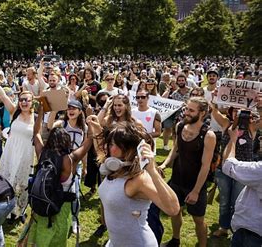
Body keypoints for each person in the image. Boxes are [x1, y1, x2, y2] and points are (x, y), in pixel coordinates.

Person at [93, 121, 179, 246]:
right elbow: (99, 148)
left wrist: (152, 171)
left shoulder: (139, 180)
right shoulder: (115, 169)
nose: (107, 147)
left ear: (128, 150)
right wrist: (95, 125)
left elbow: (172, 209)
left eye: (112, 144)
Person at [25, 103, 93, 246]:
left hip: (43, 202)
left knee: (41, 233)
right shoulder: (71, 159)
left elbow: (36, 133)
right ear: (66, 141)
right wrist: (90, 120)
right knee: (58, 235)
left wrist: (42, 112)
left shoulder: (42, 153)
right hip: (62, 205)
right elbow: (88, 142)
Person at [160, 97, 217, 247]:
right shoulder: (180, 126)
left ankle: (202, 245)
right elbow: (176, 149)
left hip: (195, 185)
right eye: (186, 109)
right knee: (174, 211)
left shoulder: (208, 135)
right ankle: (175, 239)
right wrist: (164, 164)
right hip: (177, 180)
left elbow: (205, 166)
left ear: (203, 113)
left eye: (191, 110)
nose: (186, 113)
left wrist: (196, 191)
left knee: (198, 219)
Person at [0, 73, 35, 220]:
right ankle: (7, 209)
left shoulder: (36, 118)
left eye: (27, 100)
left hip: (26, 154)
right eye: (21, 100)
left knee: (22, 182)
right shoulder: (14, 112)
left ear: (33, 102)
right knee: (7, 180)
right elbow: (3, 96)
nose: (24, 102)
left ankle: (20, 210)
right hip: (11, 151)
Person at [221, 127, 262, 247]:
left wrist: (233, 139)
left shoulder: (259, 170)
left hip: (253, 235)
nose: (260, 140)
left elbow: (228, 165)